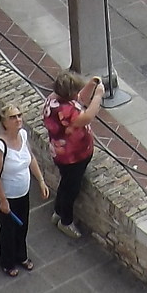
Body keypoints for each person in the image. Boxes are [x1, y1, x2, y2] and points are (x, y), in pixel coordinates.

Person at [43, 71, 104, 239]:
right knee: (71, 189)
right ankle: (66, 221)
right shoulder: (67, 111)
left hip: (61, 154)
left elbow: (79, 98)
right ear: (69, 94)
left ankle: (58, 211)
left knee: (65, 183)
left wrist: (91, 84)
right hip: (73, 157)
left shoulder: (54, 100)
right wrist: (98, 95)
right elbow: (88, 116)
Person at [0, 104, 45, 276]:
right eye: (13, 117)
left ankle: (21, 255)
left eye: (19, 115)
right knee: (8, 230)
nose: (18, 119)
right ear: (4, 122)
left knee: (23, 226)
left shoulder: (23, 135)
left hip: (23, 193)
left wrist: (41, 181)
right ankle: (7, 262)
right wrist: (3, 201)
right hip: (7, 196)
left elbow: (31, 158)